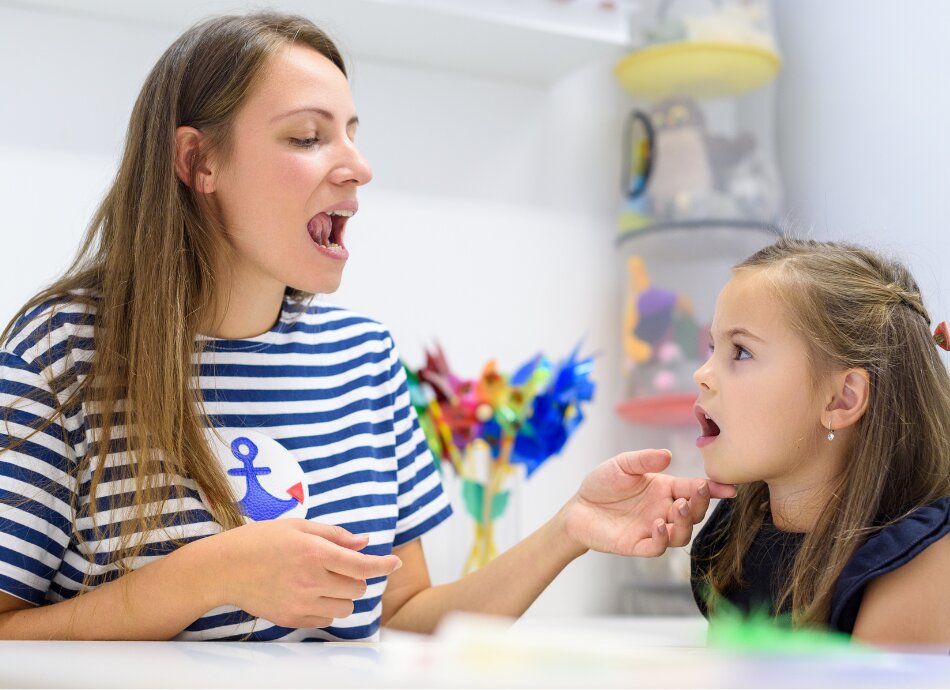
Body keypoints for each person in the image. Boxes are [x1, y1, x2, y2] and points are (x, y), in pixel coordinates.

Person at [0, 11, 734, 642]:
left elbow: (405, 616)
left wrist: (571, 528)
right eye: (307, 137)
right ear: (198, 161)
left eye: (351, 133)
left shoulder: (362, 358)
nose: (357, 166)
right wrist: (202, 577)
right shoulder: (59, 356)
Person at [689, 238, 950, 647]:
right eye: (712, 348)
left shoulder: (919, 563)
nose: (702, 373)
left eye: (740, 352)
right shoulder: (734, 534)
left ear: (841, 398)